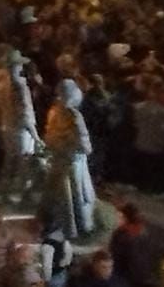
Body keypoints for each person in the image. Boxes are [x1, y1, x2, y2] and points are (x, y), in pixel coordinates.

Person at [40, 80, 94, 240]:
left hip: (58, 159)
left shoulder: (53, 111)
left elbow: (48, 136)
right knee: (74, 197)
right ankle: (75, 228)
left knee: (56, 194)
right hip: (73, 162)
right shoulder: (74, 116)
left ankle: (50, 223)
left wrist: (58, 143)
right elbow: (85, 146)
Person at [0, 51, 41, 202]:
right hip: (21, 129)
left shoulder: (1, 85)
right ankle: (25, 196)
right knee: (24, 163)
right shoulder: (21, 86)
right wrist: (35, 136)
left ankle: (4, 193)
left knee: (9, 161)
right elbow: (25, 114)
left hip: (6, 127)